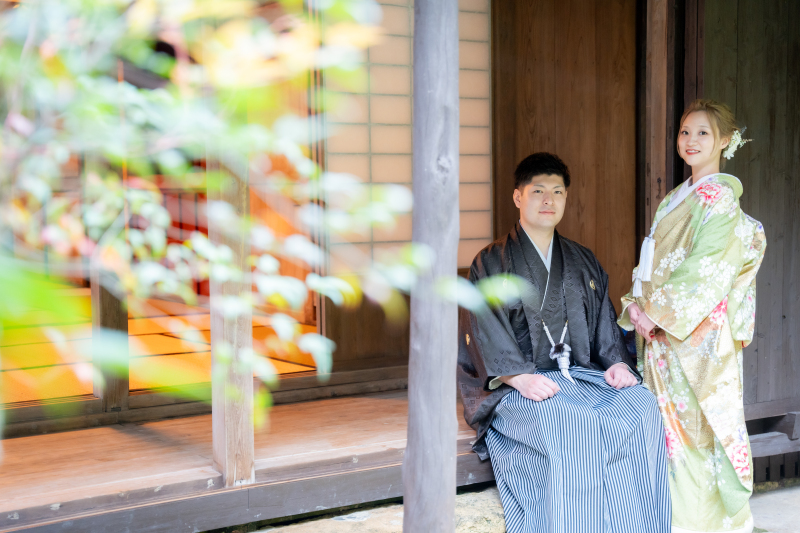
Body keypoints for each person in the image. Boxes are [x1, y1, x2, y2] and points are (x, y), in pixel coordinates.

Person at [458, 152, 671, 533]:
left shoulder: (581, 259)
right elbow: (484, 328)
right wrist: (517, 377)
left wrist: (617, 362)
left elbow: (604, 321)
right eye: (538, 190)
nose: (548, 200)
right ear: (517, 197)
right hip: (518, 385)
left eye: (557, 191)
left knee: (640, 405)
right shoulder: (490, 262)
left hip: (580, 375)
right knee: (568, 421)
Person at [619, 100, 766, 533]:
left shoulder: (720, 198)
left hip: (695, 338)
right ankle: (670, 520)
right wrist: (634, 302)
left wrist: (655, 315)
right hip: (663, 337)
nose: (691, 140)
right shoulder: (673, 198)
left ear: (725, 141)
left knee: (697, 436)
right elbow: (653, 264)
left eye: (703, 133)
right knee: (669, 438)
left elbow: (706, 270)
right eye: (685, 132)